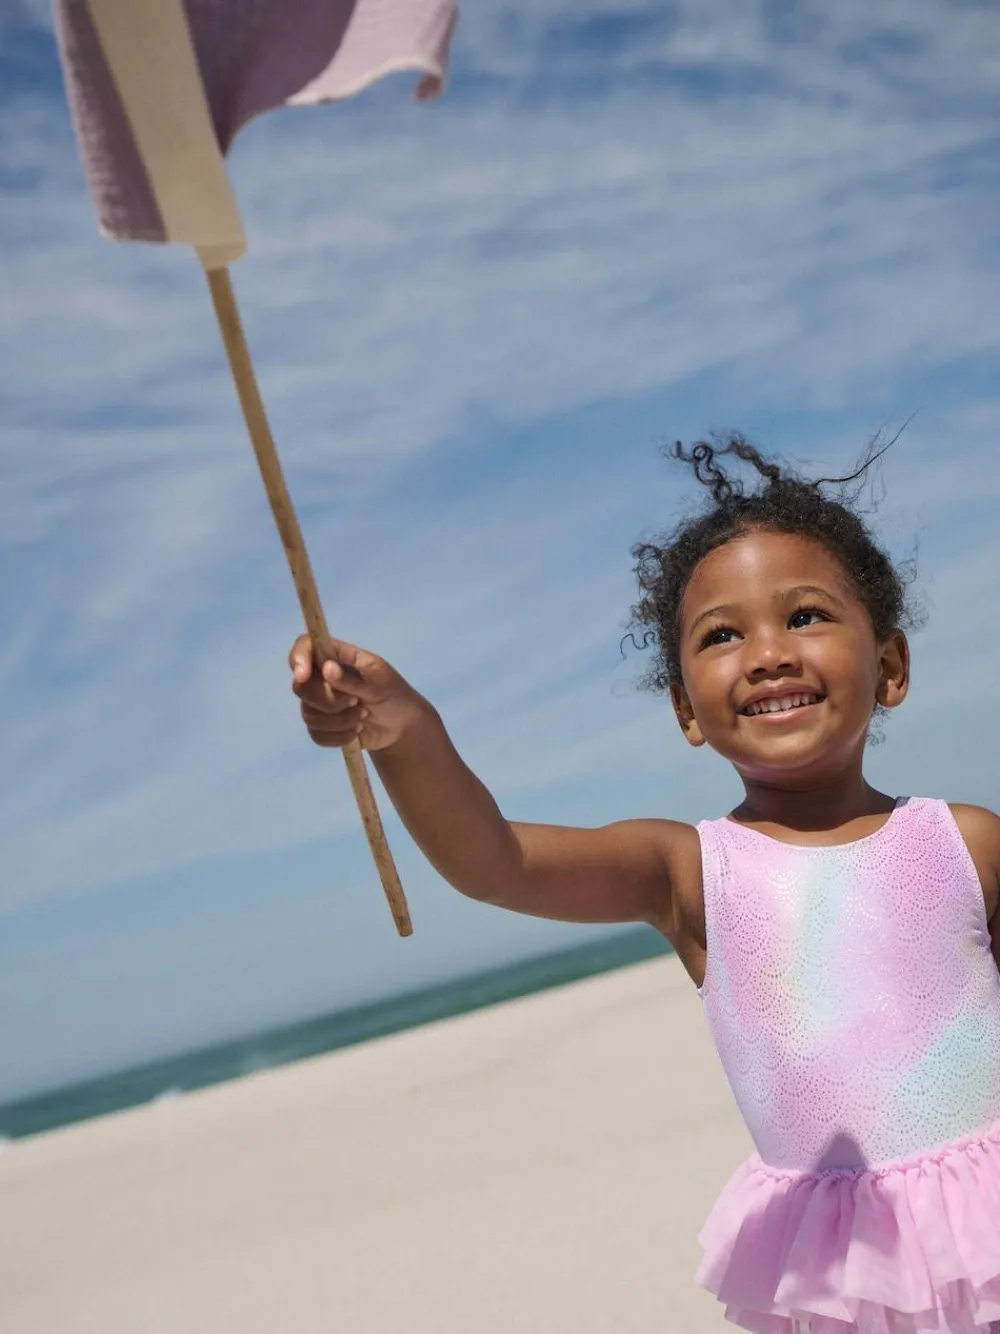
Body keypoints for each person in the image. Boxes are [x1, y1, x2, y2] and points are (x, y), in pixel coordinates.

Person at [288, 434, 1000, 1334]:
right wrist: (403, 729)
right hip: (846, 1290)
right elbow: (493, 859)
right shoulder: (691, 872)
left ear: (891, 663)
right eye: (722, 635)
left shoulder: (966, 844)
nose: (769, 653)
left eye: (807, 616)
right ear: (683, 708)